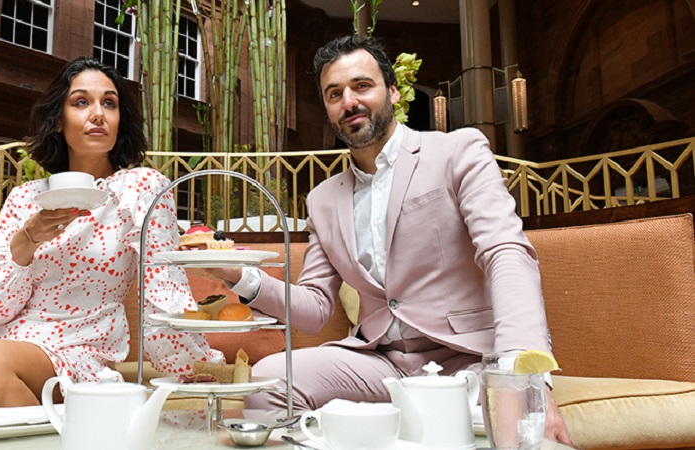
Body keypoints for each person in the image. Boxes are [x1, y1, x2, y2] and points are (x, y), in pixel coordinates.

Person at [207, 35, 573, 443]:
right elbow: (314, 308)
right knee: (269, 381)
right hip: (380, 363)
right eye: (335, 93)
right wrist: (239, 275)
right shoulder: (323, 200)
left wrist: (518, 374)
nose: (349, 101)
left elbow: (505, 251)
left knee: (509, 430)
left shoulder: (458, 151)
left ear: (393, 91)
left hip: (468, 360)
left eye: (362, 86)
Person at [0, 57, 223, 430]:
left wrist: (192, 366)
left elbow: (162, 285)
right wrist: (28, 238)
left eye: (109, 103)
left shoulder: (140, 187)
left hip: (77, 350)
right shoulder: (26, 198)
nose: (97, 114)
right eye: (81, 102)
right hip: (5, 338)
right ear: (58, 120)